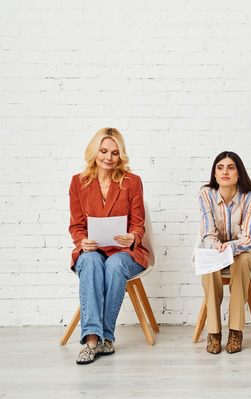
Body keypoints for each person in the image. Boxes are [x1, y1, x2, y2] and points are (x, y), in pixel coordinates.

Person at [68, 127, 149, 365]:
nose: (108, 158)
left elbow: (138, 224)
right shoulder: (78, 182)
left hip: (125, 253)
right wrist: (82, 241)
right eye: (103, 151)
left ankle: (106, 338)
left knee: (114, 265)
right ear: (94, 152)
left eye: (115, 153)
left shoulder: (132, 182)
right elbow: (76, 225)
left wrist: (132, 236)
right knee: (91, 262)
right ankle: (92, 340)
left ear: (120, 155)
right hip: (92, 250)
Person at [193, 151, 251, 354]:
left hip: (247, 249)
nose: (225, 172)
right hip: (218, 248)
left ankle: (235, 331)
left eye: (231, 167)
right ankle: (214, 331)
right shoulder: (205, 194)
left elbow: (248, 238)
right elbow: (207, 232)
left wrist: (231, 247)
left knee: (239, 262)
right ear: (214, 174)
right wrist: (215, 246)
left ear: (238, 173)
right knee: (208, 264)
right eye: (220, 168)